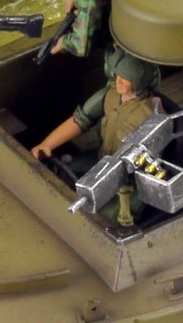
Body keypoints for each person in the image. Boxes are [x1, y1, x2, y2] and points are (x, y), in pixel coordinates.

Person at [29, 51, 164, 224]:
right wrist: (47, 144)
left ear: (140, 80)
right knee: (63, 172)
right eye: (118, 75)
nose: (119, 81)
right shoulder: (110, 95)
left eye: (126, 78)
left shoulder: (149, 115)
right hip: (102, 159)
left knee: (105, 218)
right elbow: (80, 120)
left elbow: (152, 163)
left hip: (130, 183)